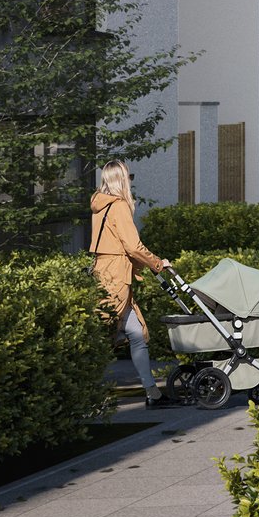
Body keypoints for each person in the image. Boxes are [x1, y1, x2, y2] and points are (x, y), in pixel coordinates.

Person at [91, 162, 180, 408]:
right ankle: (90, 396)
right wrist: (158, 264)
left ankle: (153, 394)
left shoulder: (99, 205)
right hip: (117, 277)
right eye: (128, 176)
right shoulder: (118, 206)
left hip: (106, 273)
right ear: (121, 179)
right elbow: (132, 246)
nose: (130, 181)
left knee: (137, 334)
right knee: (103, 336)